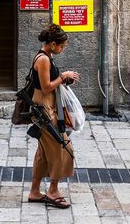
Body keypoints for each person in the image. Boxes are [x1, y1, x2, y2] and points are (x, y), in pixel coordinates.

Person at [28, 24, 80, 209]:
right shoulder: (43, 59)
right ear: (51, 44)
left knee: (43, 153)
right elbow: (46, 87)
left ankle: (35, 192)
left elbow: (52, 83)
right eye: (62, 46)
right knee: (64, 147)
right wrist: (63, 75)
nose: (63, 49)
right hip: (44, 110)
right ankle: (53, 190)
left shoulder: (48, 57)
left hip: (49, 107)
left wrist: (65, 79)